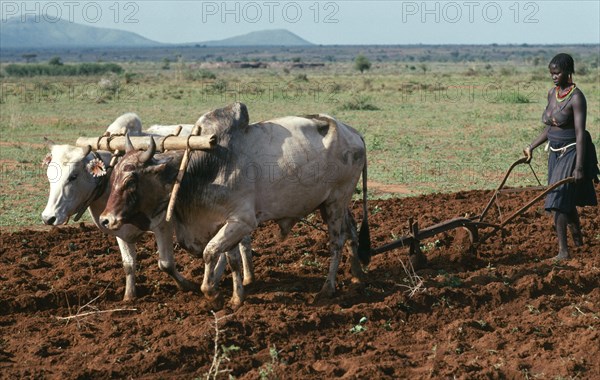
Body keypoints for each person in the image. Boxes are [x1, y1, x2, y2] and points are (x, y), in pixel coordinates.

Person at [523, 53, 599, 260]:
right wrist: (531, 146)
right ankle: (578, 240)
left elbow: (581, 134)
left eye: (557, 73)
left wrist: (580, 167)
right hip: (554, 153)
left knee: (556, 200)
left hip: (572, 151)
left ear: (568, 72)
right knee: (563, 197)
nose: (554, 76)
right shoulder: (552, 94)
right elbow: (550, 129)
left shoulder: (576, 98)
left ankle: (563, 252)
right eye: (552, 73)